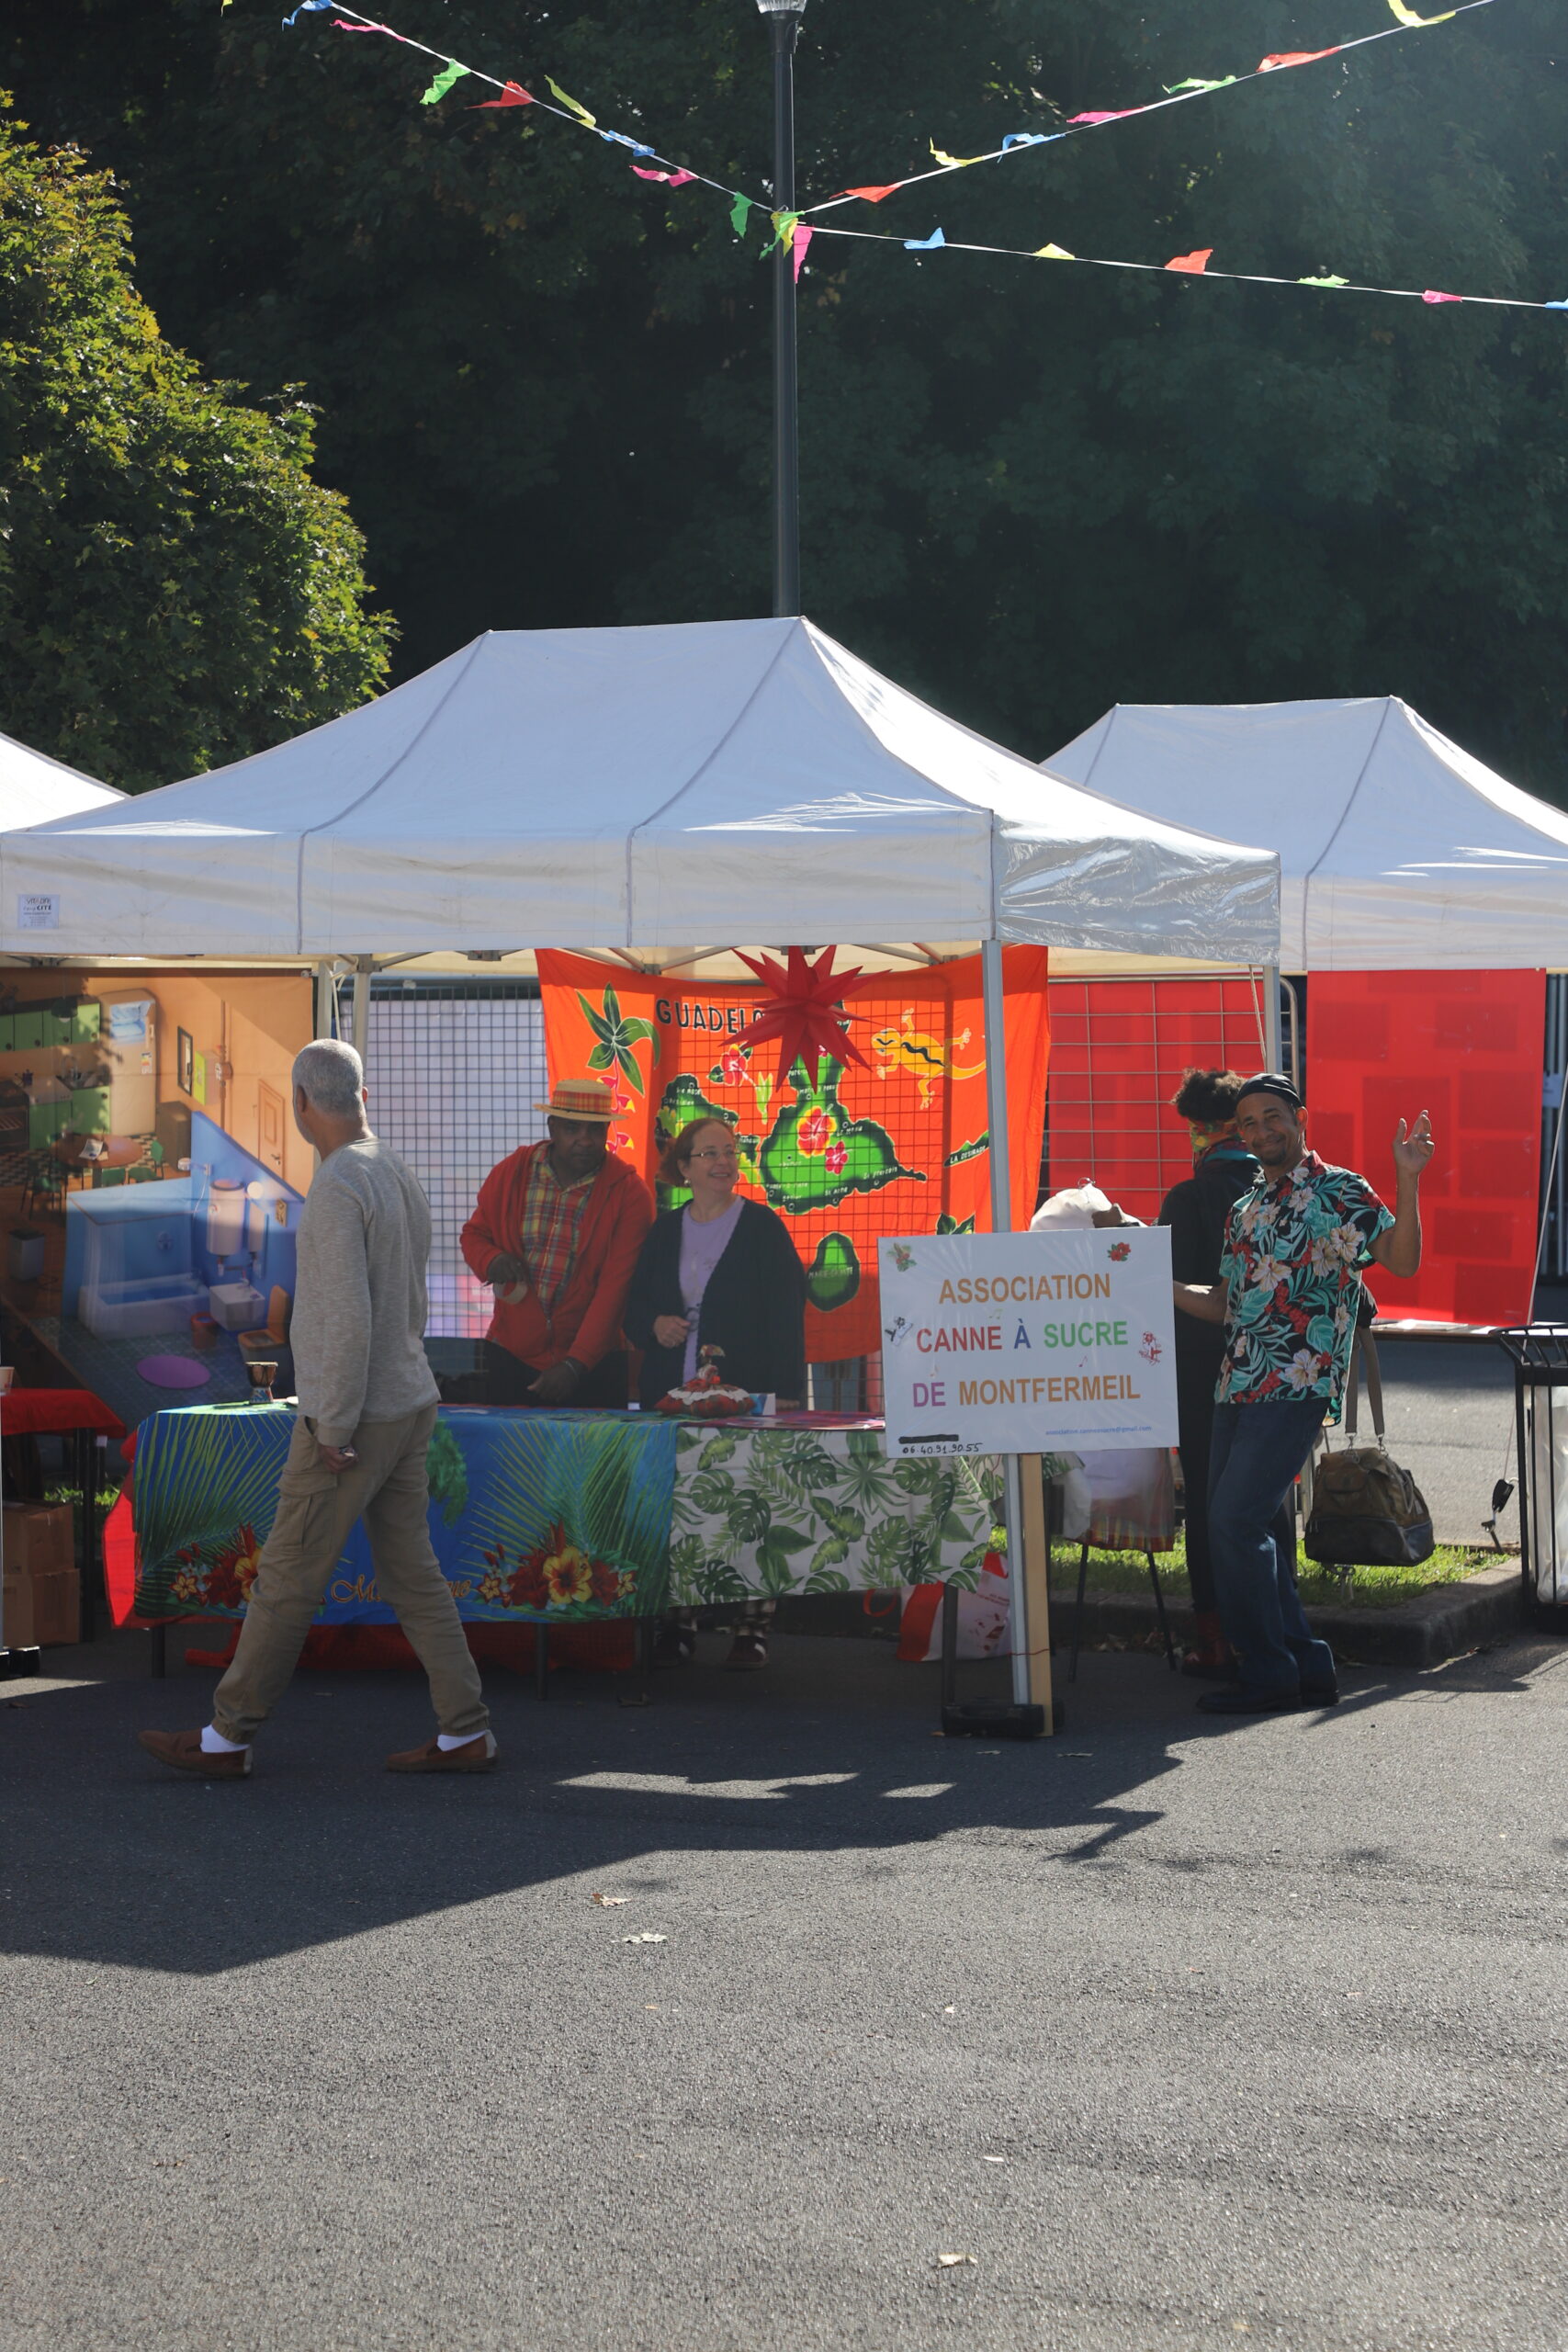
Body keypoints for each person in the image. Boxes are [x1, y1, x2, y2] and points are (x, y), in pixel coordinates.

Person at [140, 1039, 494, 1778]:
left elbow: (345, 1320)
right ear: (361, 1095)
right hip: (407, 1401)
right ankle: (466, 1730)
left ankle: (227, 1738)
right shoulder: (394, 1169)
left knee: (287, 1579)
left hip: (355, 1416)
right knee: (413, 1574)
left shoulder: (337, 1185)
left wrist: (332, 1424)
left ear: (302, 1102)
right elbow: (397, 1304)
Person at [1173, 1071, 1434, 1714]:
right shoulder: (1245, 1207)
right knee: (1248, 1525)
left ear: (1300, 1121)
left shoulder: (1338, 1189)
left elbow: (1401, 1262)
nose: (1261, 1130)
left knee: (1231, 1524)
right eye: (1248, 1122)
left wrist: (1407, 1179)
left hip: (1294, 1385)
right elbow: (1224, 1303)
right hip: (1236, 1385)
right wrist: (1154, 1284)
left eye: (1272, 1117)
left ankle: (1267, 1669)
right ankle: (1306, 1665)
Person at [624, 1116, 807, 1669]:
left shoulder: (762, 1226)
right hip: (672, 1397)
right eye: (709, 1153)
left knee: (752, 1505)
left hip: (746, 1397)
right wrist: (654, 1324)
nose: (724, 1161)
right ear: (684, 1167)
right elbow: (633, 1307)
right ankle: (677, 1624)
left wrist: (787, 1390)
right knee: (679, 1507)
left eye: (730, 1150)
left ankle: (751, 1629)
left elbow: (786, 1313)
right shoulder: (664, 1230)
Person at [460, 1078, 653, 1408]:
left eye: (595, 1129)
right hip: (511, 1353)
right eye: (572, 1128)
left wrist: (576, 1363)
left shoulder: (630, 1194)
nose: (585, 1140)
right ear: (552, 1127)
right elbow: (474, 1235)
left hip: (596, 1364)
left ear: (607, 1131)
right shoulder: (513, 1172)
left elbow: (615, 1290)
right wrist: (492, 1260)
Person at [1157, 1069, 1258, 1678]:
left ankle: (1216, 1640)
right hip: (1274, 1368)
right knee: (1262, 1504)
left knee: (1204, 1497)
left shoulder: (1188, 1197)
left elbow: (1162, 1287)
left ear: (1202, 1130)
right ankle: (1267, 1634)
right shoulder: (1278, 1190)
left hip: (1200, 1371)